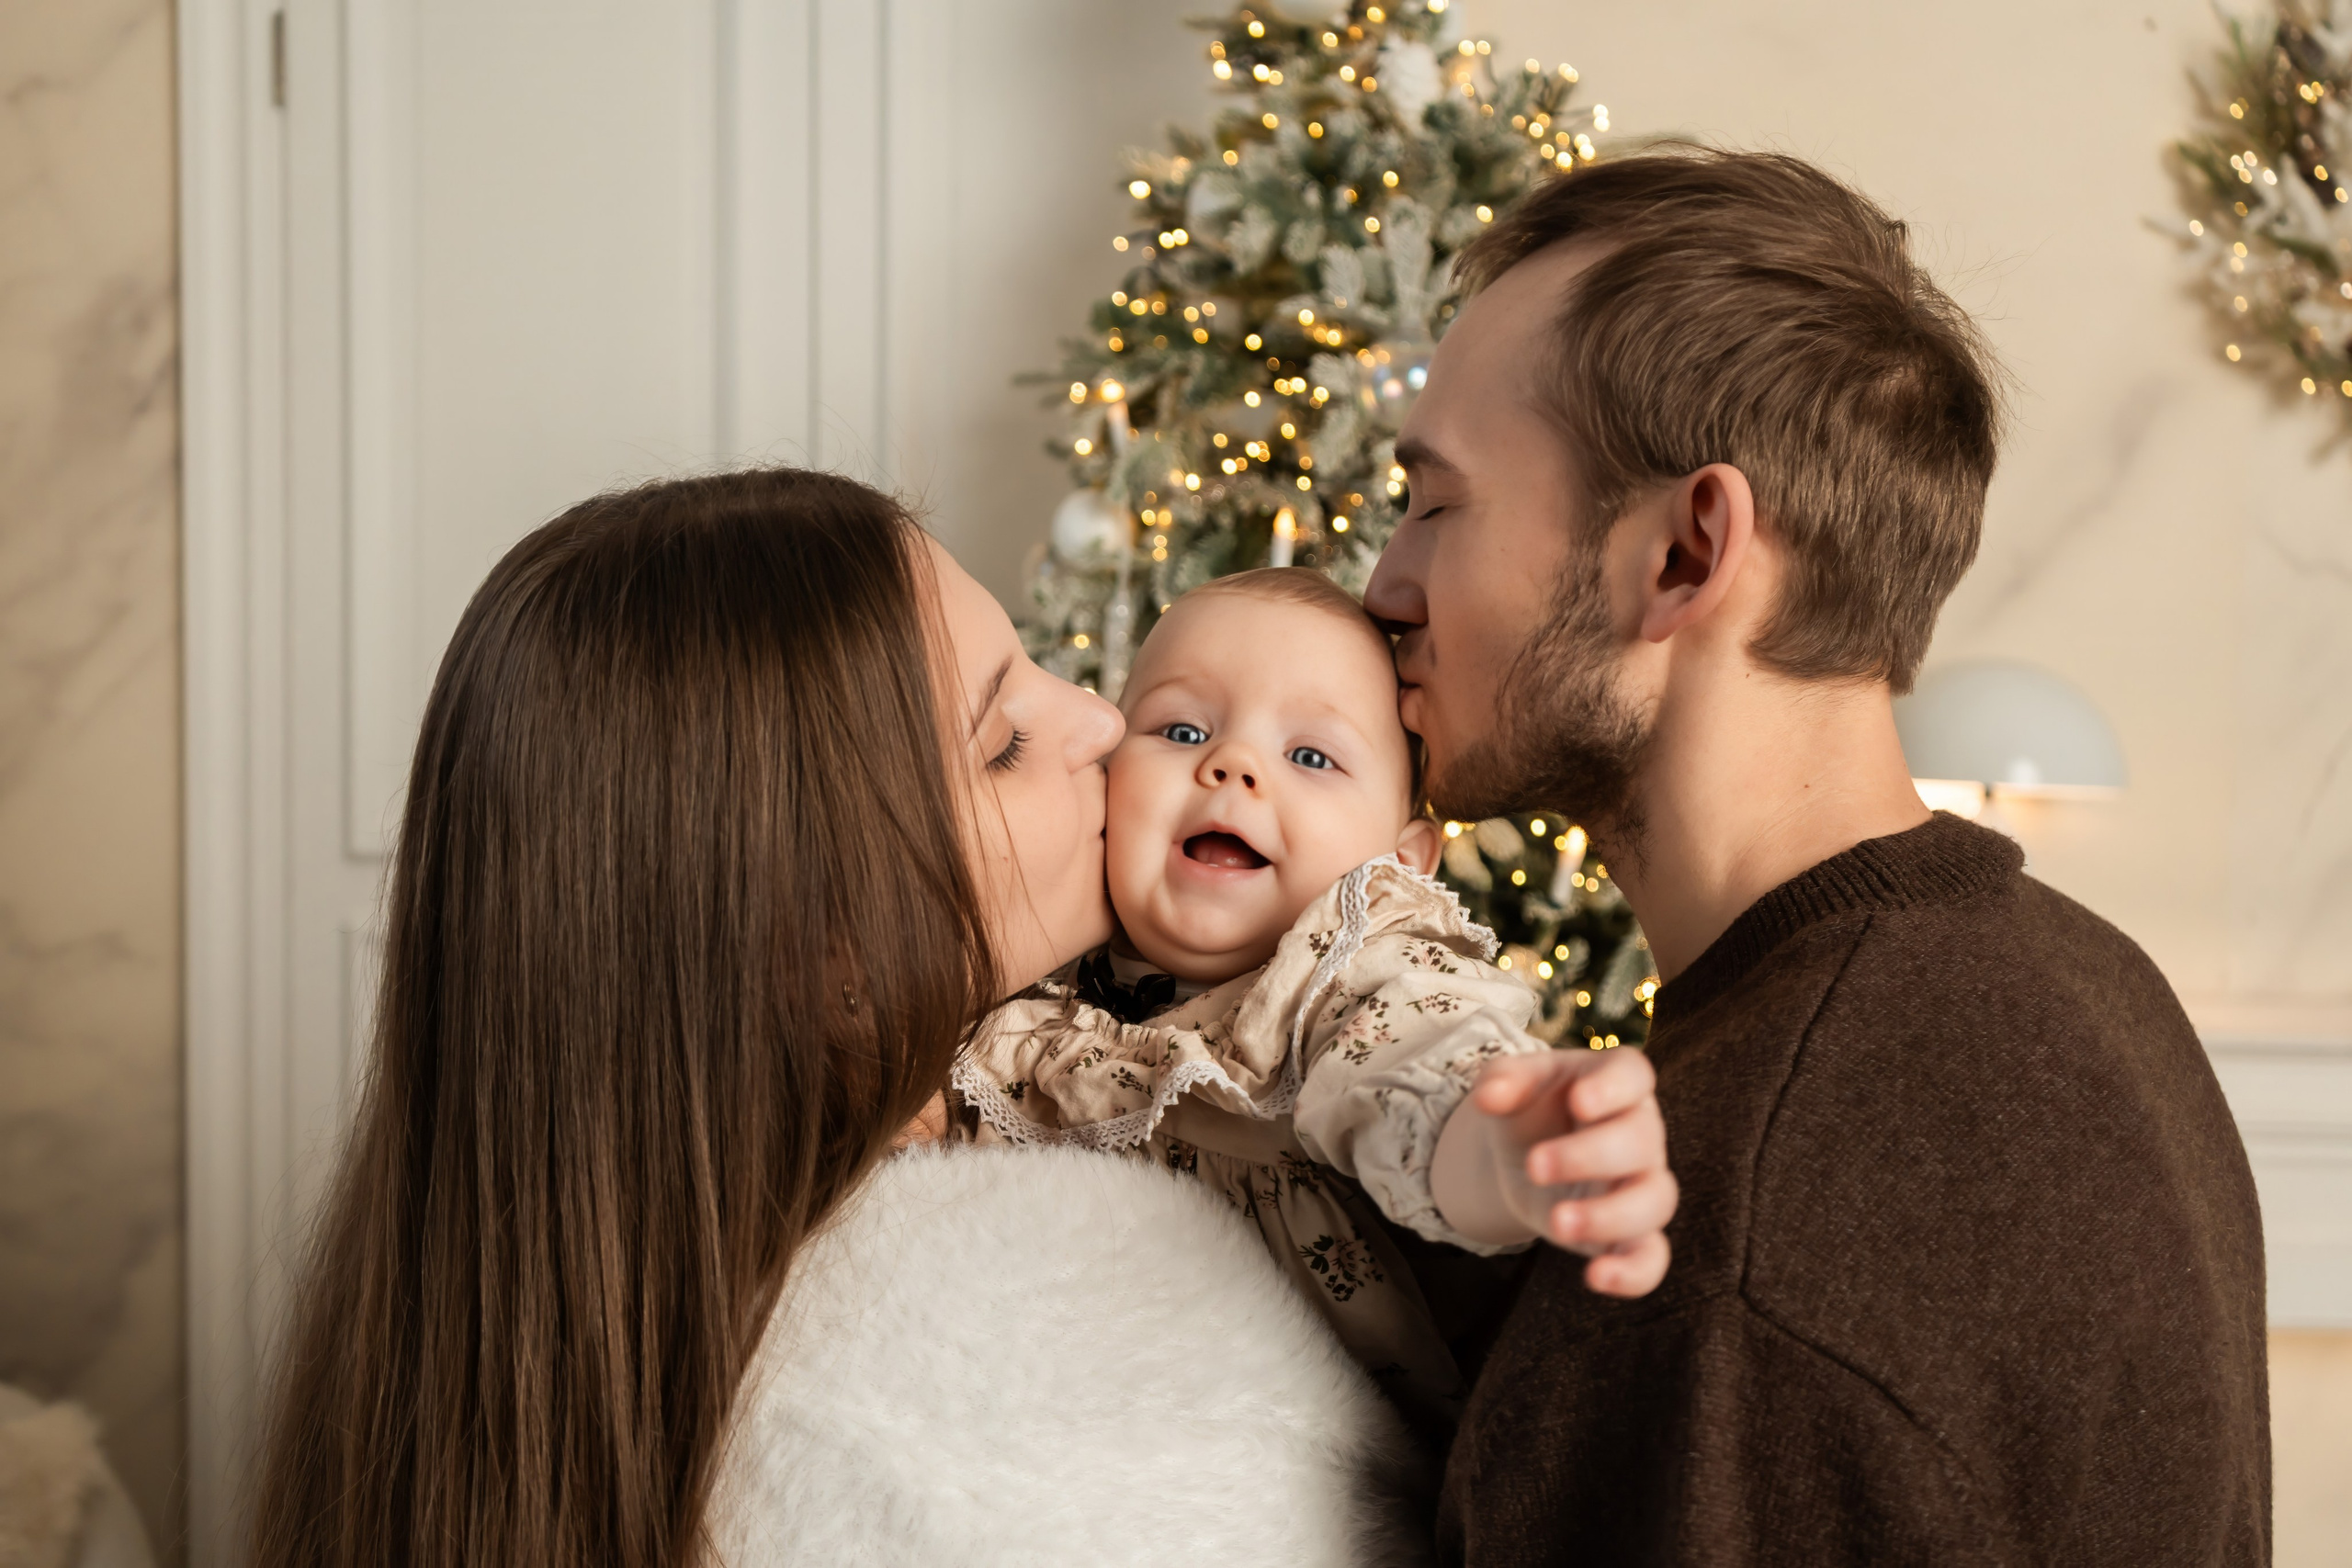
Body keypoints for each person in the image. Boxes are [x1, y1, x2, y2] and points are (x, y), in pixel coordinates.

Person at [243, 469, 1678, 1568]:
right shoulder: (947, 1403)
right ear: (828, 959)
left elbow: (1400, 1047)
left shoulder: (1292, 973)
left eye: (1046, 669)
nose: (1104, 728)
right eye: (1005, 737)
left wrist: (1499, 1136)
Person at [1363, 146, 2271, 1563]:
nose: (1385, 583)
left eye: (1437, 503)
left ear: (1685, 552)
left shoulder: (1710, 1234)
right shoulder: (2091, 986)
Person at [956, 567, 1673, 1431]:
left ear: (1399, 862)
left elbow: (1419, 1069)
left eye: (1310, 756)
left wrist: (1512, 1142)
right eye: (1182, 729)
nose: (1231, 766)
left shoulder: (1347, 978)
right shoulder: (1034, 991)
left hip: (1292, 1467)